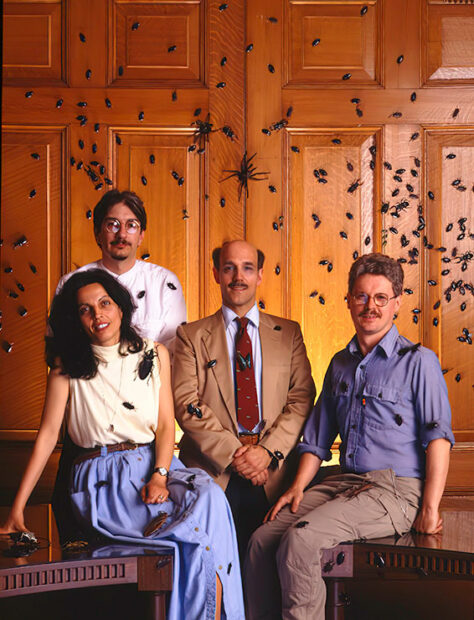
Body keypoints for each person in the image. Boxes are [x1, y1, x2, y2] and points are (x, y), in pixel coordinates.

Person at [0, 269, 244, 620]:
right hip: (103, 479)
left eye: (105, 303)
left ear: (120, 307)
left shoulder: (154, 353)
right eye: (85, 309)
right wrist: (16, 509)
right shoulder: (66, 367)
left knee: (211, 499)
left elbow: (164, 425)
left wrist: (160, 475)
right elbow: (48, 436)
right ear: (76, 319)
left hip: (155, 465)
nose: (98, 314)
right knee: (194, 542)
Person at [245, 252, 455, 620]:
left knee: (301, 541)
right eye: (361, 296)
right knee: (261, 540)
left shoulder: (419, 361)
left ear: (397, 303)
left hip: (395, 491)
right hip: (344, 483)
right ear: (348, 301)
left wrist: (430, 508)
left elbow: (438, 439)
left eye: (380, 298)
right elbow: (317, 439)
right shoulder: (340, 364)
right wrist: (296, 487)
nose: (369, 306)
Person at [52, 189, 186, 542]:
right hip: (88, 435)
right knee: (77, 540)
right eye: (112, 224)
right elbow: (60, 356)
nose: (121, 234)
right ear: (98, 232)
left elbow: (168, 359)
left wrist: (159, 466)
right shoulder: (71, 284)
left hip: (145, 438)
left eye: (131, 225)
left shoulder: (164, 283)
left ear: (141, 234)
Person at [173, 240, 315, 560]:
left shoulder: (289, 333)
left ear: (260, 275)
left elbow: (302, 397)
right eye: (229, 268)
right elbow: (186, 402)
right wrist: (238, 455)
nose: (238, 276)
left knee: (269, 574)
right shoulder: (190, 336)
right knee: (213, 571)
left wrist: (265, 452)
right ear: (216, 274)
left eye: (247, 268)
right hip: (212, 473)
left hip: (274, 474)